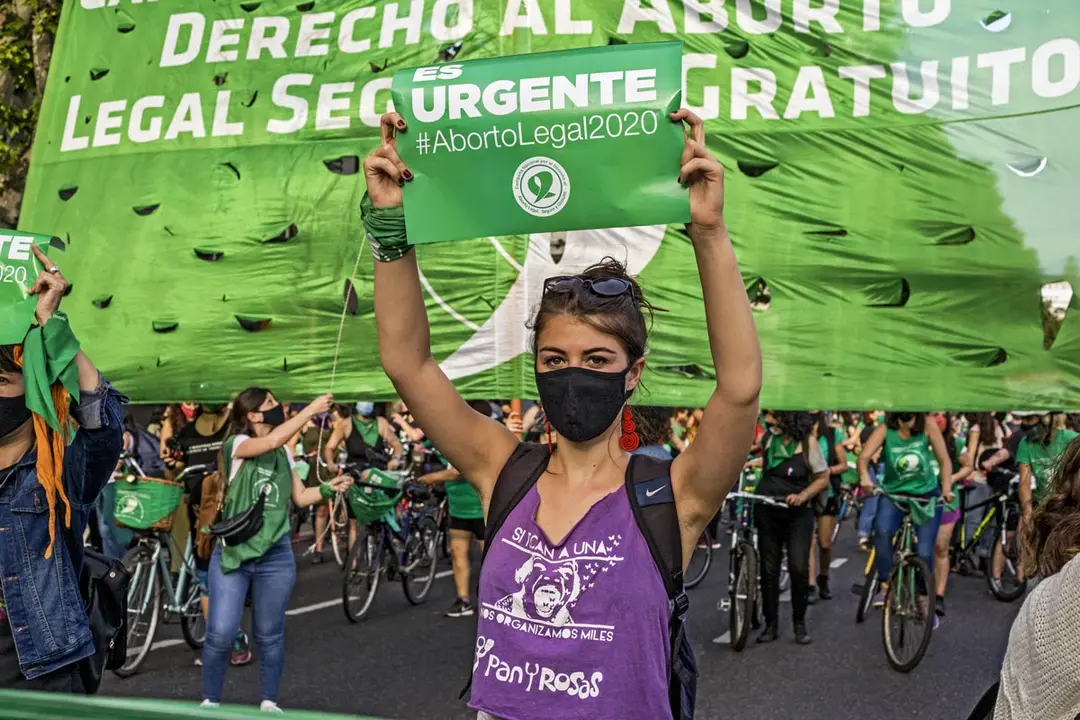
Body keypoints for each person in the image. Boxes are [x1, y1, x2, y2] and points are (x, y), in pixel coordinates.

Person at [364, 107, 760, 720]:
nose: (573, 373)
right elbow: (408, 365)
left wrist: (708, 231)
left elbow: (737, 389)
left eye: (597, 358)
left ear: (633, 373)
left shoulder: (671, 497)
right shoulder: (503, 469)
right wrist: (390, 225)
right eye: (555, 358)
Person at [0, 244, 125, 691]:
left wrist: (52, 324)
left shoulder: (61, 475)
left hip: (40, 669)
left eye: (1, 380)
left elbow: (103, 420)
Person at [201, 389, 349, 712]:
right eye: (268, 403)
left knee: (270, 634)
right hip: (234, 552)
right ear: (252, 415)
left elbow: (299, 496)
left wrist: (327, 489)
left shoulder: (284, 454)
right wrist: (310, 410)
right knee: (221, 632)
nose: (276, 407)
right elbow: (268, 442)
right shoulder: (237, 445)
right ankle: (210, 701)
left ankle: (269, 701)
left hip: (276, 555)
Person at [994, 433, 1080, 720]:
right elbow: (1024, 481)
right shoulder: (1027, 442)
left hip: (1058, 529)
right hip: (1056, 528)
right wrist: (1028, 513)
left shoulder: (1066, 438)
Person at [858, 413, 953, 617]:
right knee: (882, 532)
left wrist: (947, 488)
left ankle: (921, 596)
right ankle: (886, 585)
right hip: (894, 495)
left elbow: (944, 460)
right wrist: (865, 477)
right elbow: (864, 457)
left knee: (926, 552)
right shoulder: (885, 429)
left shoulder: (928, 425)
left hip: (926, 496)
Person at [753, 412, 829, 643]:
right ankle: (771, 625)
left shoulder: (808, 443)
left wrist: (803, 495)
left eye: (773, 417)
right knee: (769, 570)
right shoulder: (767, 440)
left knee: (798, 568)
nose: (768, 421)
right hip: (767, 510)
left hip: (798, 515)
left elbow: (822, 477)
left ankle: (799, 623)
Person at [323, 402, 404, 551]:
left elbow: (396, 444)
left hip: (377, 476)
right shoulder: (346, 424)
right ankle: (353, 565)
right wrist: (330, 463)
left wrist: (396, 459)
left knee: (384, 515)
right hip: (355, 476)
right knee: (354, 522)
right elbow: (329, 447)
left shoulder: (380, 422)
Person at [931, 413, 973, 617]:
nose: (937, 419)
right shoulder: (920, 441)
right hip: (922, 502)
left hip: (947, 502)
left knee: (941, 546)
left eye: (941, 414)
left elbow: (968, 466)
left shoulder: (955, 443)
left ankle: (938, 595)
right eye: (932, 414)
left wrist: (950, 479)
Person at [807, 411, 850, 603]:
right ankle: (810, 585)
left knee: (824, 542)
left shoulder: (832, 435)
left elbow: (844, 465)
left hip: (828, 493)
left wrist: (826, 471)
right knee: (808, 540)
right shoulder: (801, 433)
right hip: (806, 492)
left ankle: (823, 577)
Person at [1015, 412, 1078, 522]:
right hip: (1045, 508)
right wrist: (1027, 513)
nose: (1024, 424)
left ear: (1046, 419)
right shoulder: (1025, 444)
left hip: (1071, 507)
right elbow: (1024, 482)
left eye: (1029, 419)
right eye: (1022, 419)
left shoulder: (1070, 439)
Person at [856, 410, 884, 551]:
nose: (881, 413)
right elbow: (867, 450)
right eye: (877, 411)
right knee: (871, 502)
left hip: (880, 467)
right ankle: (864, 535)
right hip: (875, 468)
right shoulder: (869, 430)